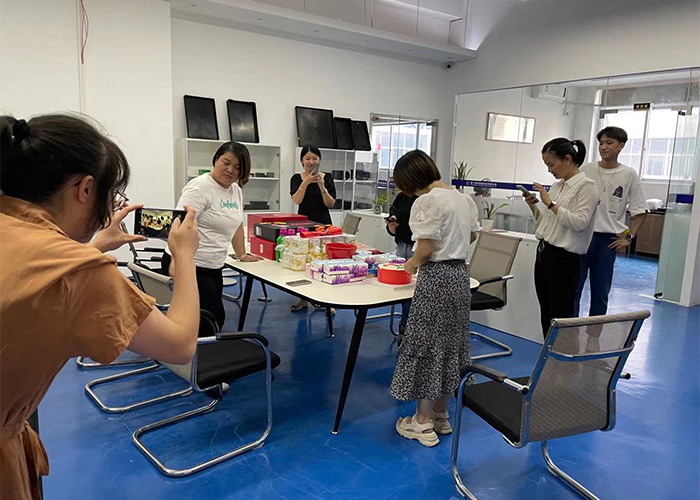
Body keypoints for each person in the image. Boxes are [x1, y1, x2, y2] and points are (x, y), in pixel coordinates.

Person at [0, 114, 201, 500]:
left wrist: (92, 247)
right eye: (111, 194)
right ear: (85, 188)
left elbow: (35, 281)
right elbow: (179, 346)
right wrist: (185, 256)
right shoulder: (82, 273)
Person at [389, 150, 479, 447]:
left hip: (436, 278)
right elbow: (471, 236)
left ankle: (422, 422)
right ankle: (441, 415)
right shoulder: (462, 199)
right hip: (459, 276)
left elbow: (425, 249)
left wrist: (410, 264)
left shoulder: (427, 201)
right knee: (451, 346)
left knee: (427, 345)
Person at [162, 142, 262, 330]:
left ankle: (196, 347)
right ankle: (191, 348)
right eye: (226, 162)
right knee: (210, 319)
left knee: (209, 318)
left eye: (237, 167)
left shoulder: (235, 190)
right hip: (190, 263)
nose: (230, 170)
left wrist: (241, 254)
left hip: (213, 264)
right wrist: (176, 262)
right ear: (216, 160)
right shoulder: (199, 188)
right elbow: (178, 226)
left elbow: (237, 224)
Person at [524, 138, 599, 337]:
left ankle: (563, 355)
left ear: (567, 159)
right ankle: (548, 353)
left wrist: (551, 204)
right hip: (544, 253)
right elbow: (545, 223)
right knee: (546, 312)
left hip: (565, 259)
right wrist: (534, 205)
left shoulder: (586, 187)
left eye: (551, 164)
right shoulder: (557, 187)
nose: (550, 170)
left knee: (561, 315)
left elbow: (580, 223)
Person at [574, 126, 647, 316]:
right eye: (601, 143)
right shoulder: (586, 169)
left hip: (607, 241)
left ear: (621, 146)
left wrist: (629, 236)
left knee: (600, 292)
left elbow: (640, 210)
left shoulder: (629, 174)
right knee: (574, 288)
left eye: (609, 143)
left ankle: (594, 331)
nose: (603, 147)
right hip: (581, 235)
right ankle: (568, 330)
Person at [289, 145, 336, 312]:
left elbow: (330, 203)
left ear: (319, 160)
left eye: (315, 158)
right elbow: (297, 200)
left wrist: (322, 187)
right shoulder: (296, 178)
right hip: (304, 225)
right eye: (307, 158)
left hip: (324, 225)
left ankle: (327, 301)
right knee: (305, 261)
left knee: (324, 261)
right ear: (302, 161)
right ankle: (303, 299)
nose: (311, 162)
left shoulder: (327, 177)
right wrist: (306, 182)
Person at [385, 191, 418, 335]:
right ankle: (405, 328)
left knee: (412, 293)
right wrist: (391, 225)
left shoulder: (424, 198)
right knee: (404, 291)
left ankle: (406, 329)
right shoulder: (401, 197)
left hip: (417, 248)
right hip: (401, 247)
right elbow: (393, 223)